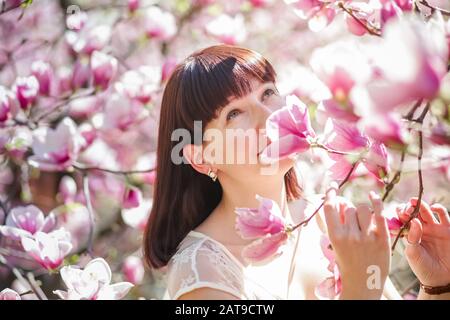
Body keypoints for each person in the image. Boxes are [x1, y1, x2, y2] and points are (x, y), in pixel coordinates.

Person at [143, 44, 450, 300]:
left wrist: (437, 286)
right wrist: (359, 290)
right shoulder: (202, 273)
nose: (269, 118)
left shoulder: (326, 217)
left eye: (267, 94)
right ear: (201, 157)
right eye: (234, 114)